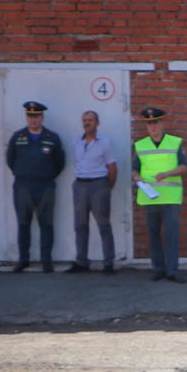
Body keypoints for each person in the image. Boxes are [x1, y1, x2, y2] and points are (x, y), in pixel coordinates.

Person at [5, 100, 65, 272]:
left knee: (46, 224)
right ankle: (23, 260)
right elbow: (10, 160)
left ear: (42, 117)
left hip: (45, 186)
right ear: (26, 117)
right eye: (30, 116)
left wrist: (46, 175)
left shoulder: (52, 137)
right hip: (23, 185)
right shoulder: (17, 137)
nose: (33, 120)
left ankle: (47, 261)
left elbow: (60, 162)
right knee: (23, 224)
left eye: (36, 116)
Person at [132, 106, 187, 283]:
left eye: (155, 123)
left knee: (171, 234)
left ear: (162, 123)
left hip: (170, 197)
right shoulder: (140, 145)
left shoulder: (175, 142)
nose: (153, 127)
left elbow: (184, 167)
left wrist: (167, 174)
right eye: (149, 124)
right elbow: (134, 169)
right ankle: (158, 269)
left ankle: (172, 271)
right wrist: (137, 177)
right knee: (153, 234)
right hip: (150, 197)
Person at [69, 109, 119, 274]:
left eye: (90, 120)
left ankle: (108, 263)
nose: (87, 122)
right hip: (80, 186)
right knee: (80, 225)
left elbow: (112, 168)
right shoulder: (76, 142)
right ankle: (82, 261)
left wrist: (106, 188)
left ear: (97, 123)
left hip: (99, 185)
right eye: (84, 120)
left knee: (103, 225)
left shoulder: (105, 143)